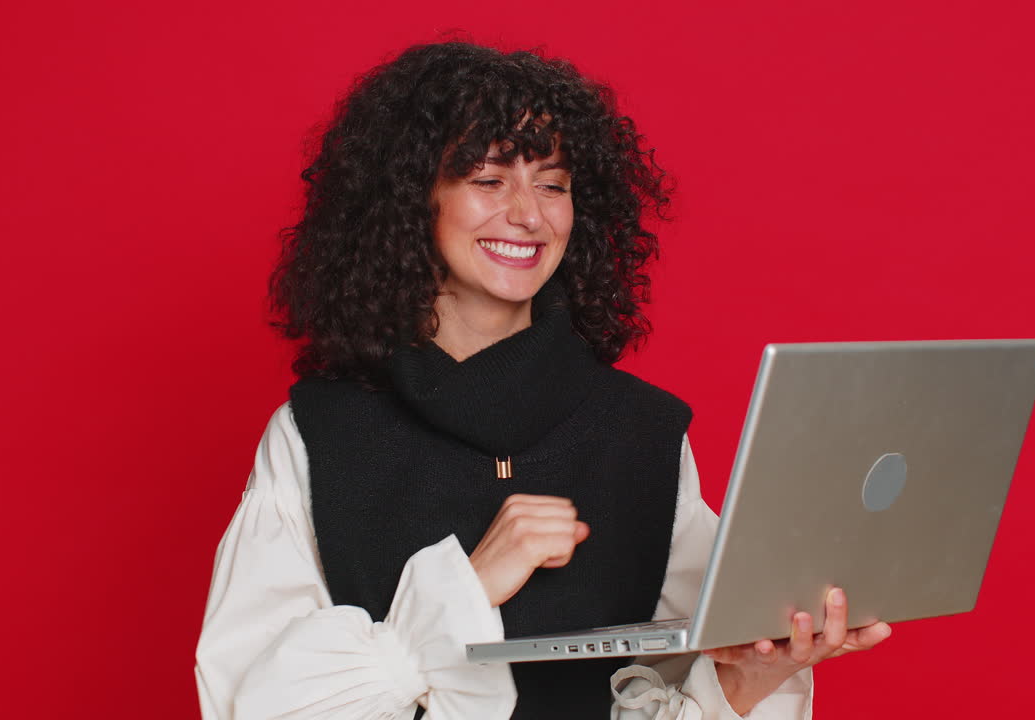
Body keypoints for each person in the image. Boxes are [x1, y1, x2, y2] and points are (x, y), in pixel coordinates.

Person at [194, 41, 890, 720]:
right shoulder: (319, 433)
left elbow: (673, 699)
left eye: (552, 184)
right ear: (414, 201)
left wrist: (754, 678)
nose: (529, 213)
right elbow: (246, 702)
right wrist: (464, 591)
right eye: (489, 179)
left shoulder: (641, 432)